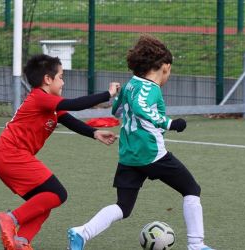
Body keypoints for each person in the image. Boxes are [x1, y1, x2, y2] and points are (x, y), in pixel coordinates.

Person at [67, 35, 215, 250]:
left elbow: (116, 110)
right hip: (152, 153)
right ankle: (196, 245)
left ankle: (81, 232)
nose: (169, 75)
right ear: (164, 67)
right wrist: (170, 123)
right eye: (169, 70)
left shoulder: (130, 85)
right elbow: (140, 107)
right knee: (191, 189)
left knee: (123, 207)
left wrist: (122, 98)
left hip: (129, 155)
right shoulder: (150, 88)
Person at [0, 54, 120, 250]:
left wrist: (94, 133)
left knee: (45, 201)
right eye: (60, 76)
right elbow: (75, 104)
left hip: (7, 156)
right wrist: (108, 94)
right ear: (47, 79)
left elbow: (70, 120)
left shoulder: (49, 103)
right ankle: (10, 219)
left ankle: (20, 243)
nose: (63, 81)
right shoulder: (40, 98)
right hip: (11, 154)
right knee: (57, 193)